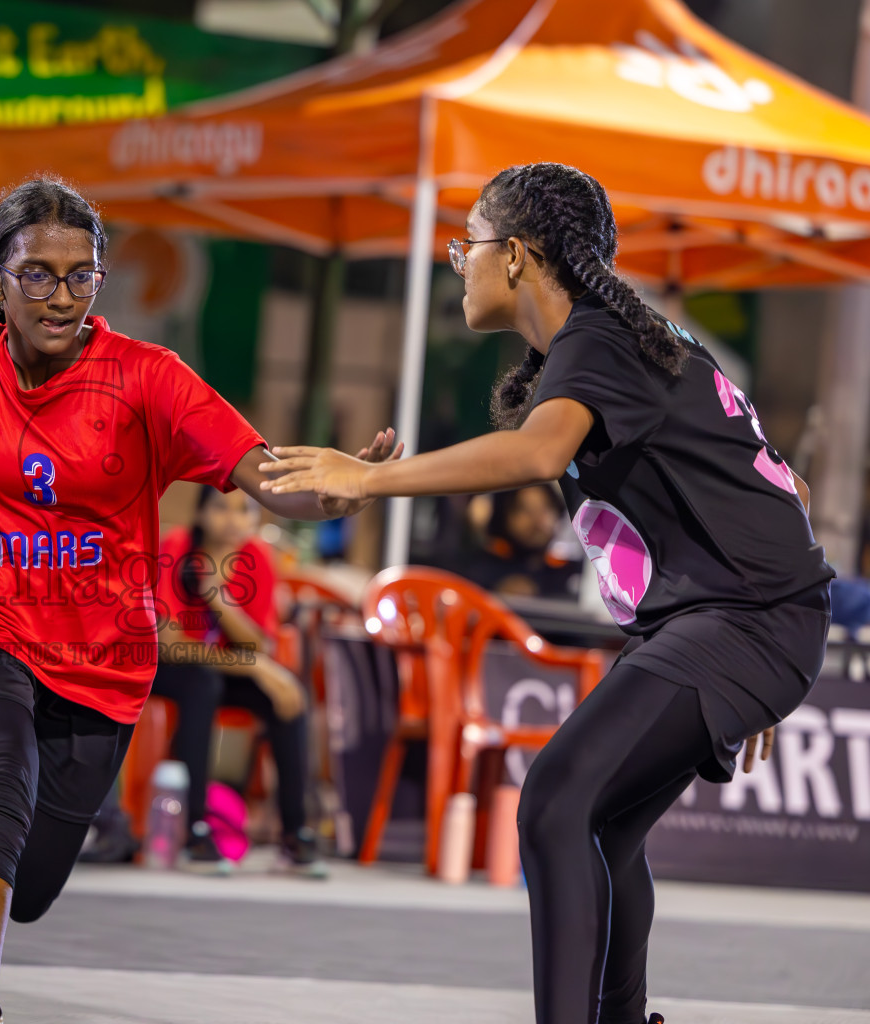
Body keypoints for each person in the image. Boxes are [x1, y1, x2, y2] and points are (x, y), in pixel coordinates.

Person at [0, 178, 398, 1024]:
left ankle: (14, 885)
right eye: (37, 275)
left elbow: (261, 475)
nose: (60, 296)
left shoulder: (149, 379)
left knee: (38, 876)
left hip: (104, 657)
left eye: (79, 276)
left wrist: (338, 493)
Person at [260, 163, 832, 1024]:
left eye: (469, 245)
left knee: (556, 801)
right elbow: (788, 485)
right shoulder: (620, 343)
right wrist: (767, 654)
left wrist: (371, 483)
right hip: (741, 624)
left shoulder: (601, 340)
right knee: (602, 827)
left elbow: (530, 456)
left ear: (519, 256)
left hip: (741, 624)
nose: (458, 262)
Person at [152, 484, 323, 875]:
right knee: (202, 684)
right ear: (200, 514)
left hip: (221, 669)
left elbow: (256, 644)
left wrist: (218, 596)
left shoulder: (256, 557)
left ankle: (295, 834)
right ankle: (194, 830)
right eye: (220, 509)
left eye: (243, 511)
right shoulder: (176, 547)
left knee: (286, 699)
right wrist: (256, 666)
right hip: (166, 670)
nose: (233, 520)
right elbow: (170, 646)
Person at [463, 483, 580, 599]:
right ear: (504, 515)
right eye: (525, 510)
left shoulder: (569, 573)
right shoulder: (480, 569)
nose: (537, 520)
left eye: (545, 509)